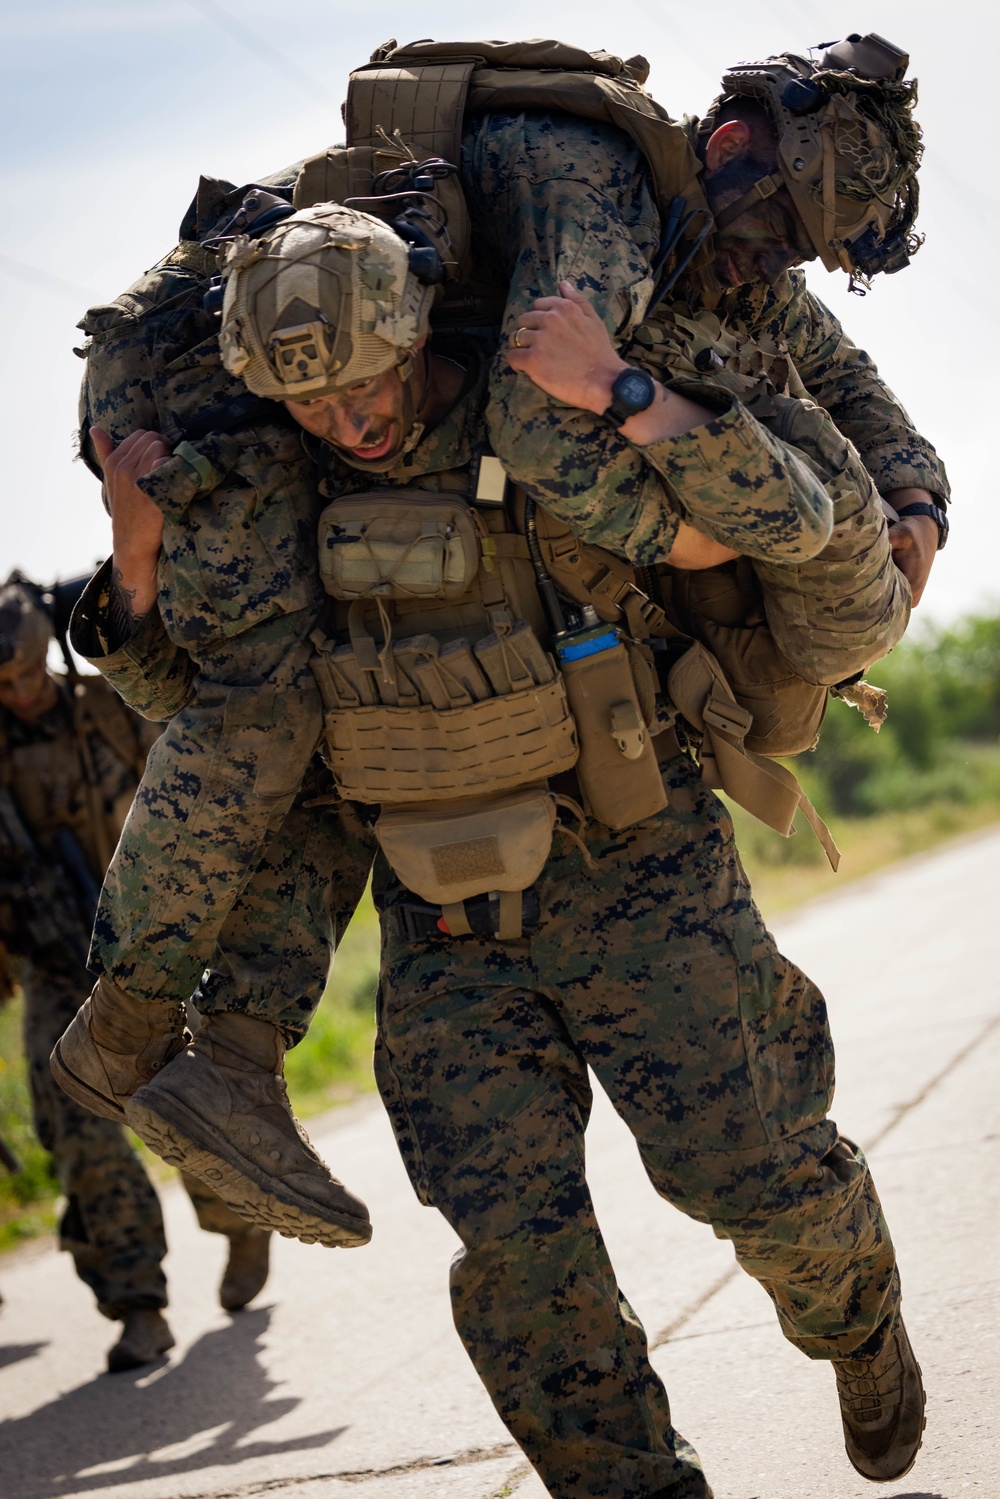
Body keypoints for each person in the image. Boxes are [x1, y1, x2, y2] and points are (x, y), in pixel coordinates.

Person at [80, 200, 928, 1492]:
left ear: (415, 321)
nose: (350, 421)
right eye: (312, 405)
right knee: (523, 1280)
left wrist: (634, 392)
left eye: (366, 382)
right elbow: (215, 706)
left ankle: (858, 1317)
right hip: (441, 931)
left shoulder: (542, 412)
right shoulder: (284, 487)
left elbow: (773, 514)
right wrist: (135, 563)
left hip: (638, 872)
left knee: (757, 1173)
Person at [0, 578, 271, 1371]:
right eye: (0, 684)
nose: (16, 693)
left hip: (147, 941)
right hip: (53, 957)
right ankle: (138, 1305)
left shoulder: (107, 707)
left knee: (179, 1106)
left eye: (23, 674)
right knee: (78, 1127)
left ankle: (236, 1217)